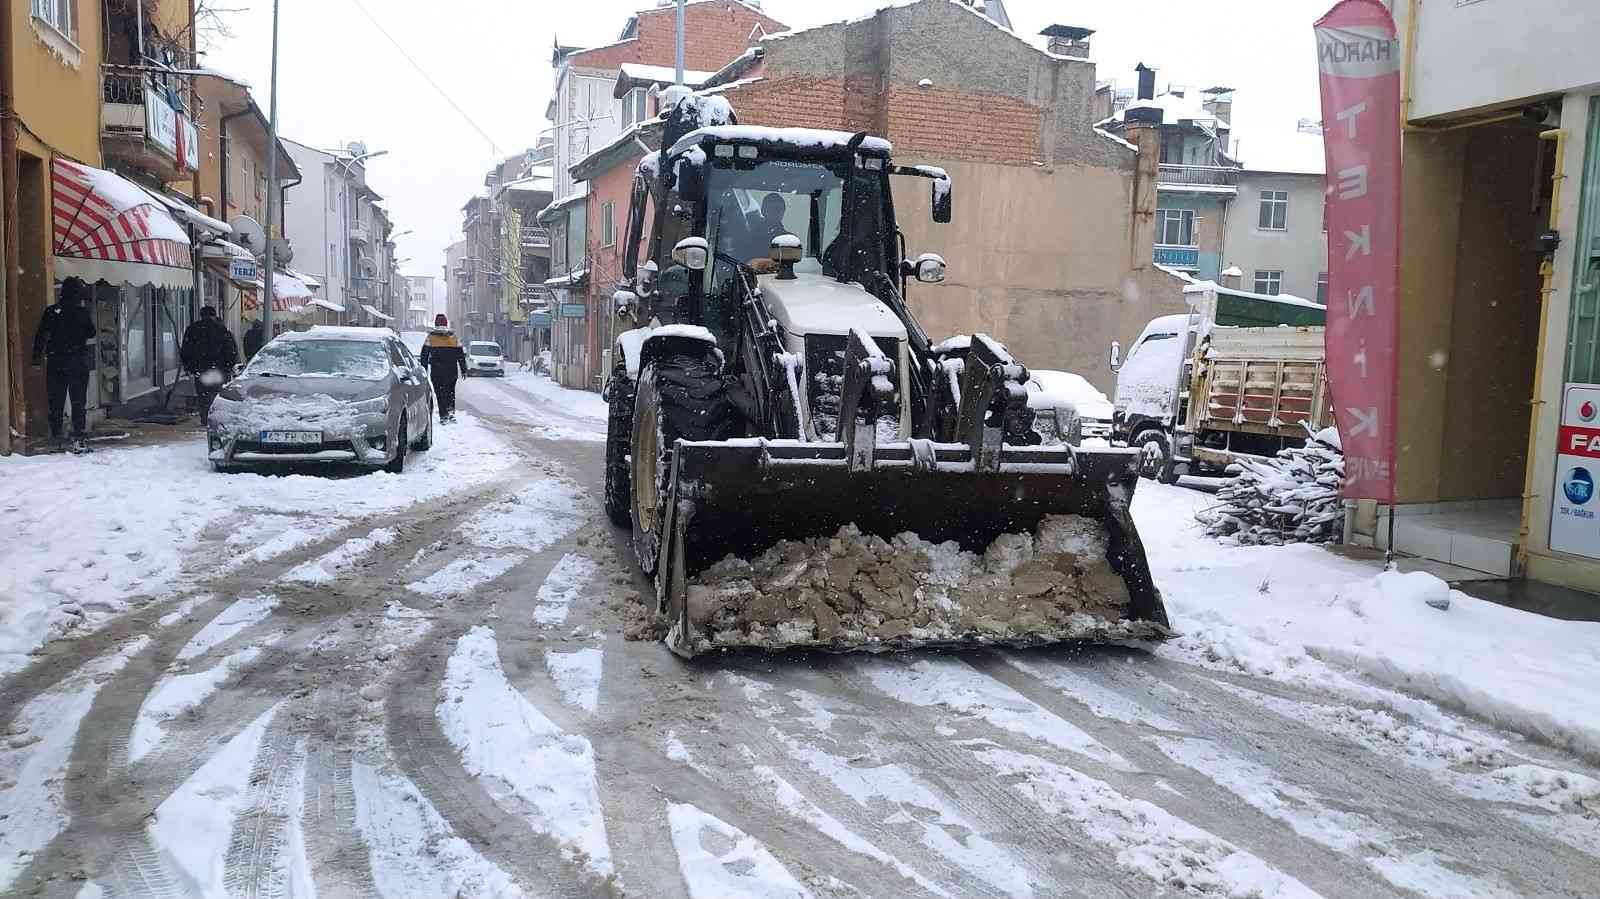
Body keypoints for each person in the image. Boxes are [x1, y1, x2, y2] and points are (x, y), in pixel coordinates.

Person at [31, 278, 98, 453]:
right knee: (78, 401)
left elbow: (41, 335)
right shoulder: (81, 312)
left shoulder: (52, 311)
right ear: (77, 294)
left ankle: (56, 438)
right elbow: (92, 332)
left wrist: (36, 359)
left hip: (55, 361)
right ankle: (78, 438)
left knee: (56, 402)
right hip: (77, 361)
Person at [179, 306, 239, 422]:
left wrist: (190, 367)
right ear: (214, 315)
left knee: (203, 395)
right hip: (219, 369)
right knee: (217, 394)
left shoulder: (193, 329)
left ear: (201, 315)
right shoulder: (222, 330)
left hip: (201, 368)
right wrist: (228, 366)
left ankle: (205, 418)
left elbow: (186, 350)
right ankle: (216, 418)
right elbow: (231, 350)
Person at [420, 313, 467, 422]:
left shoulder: (431, 337)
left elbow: (424, 355)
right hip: (451, 370)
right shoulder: (454, 337)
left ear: (436, 323)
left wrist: (424, 368)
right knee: (450, 391)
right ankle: (450, 412)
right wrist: (463, 369)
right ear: (446, 323)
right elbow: (460, 355)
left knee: (440, 393)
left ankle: (443, 414)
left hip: (437, 371)